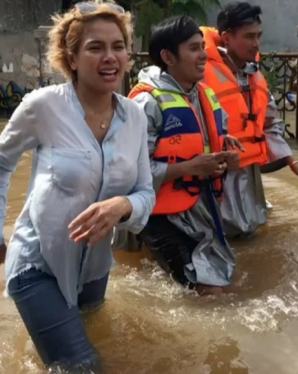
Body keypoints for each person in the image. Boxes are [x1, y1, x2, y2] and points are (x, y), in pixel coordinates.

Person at [0, 1, 155, 370]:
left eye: (118, 46)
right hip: (37, 264)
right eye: (95, 47)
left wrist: (122, 206)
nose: (110, 58)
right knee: (84, 366)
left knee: (93, 340)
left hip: (94, 269)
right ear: (71, 57)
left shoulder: (134, 116)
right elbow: (2, 162)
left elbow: (146, 192)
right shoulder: (43, 107)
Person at [124, 16, 241, 295]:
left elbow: (204, 142)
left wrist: (223, 156)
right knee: (207, 292)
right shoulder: (146, 103)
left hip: (197, 207)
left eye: (203, 46)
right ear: (168, 56)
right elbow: (130, 175)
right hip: (158, 213)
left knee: (225, 283)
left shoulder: (204, 94)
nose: (204, 55)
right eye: (193, 48)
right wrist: (191, 166)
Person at [200, 2, 298, 238]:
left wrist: (292, 163)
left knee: (252, 230)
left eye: (258, 36)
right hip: (213, 173)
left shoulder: (253, 75)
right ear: (226, 38)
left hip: (248, 173)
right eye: (248, 36)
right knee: (220, 235)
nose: (256, 43)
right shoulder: (199, 72)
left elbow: (269, 124)